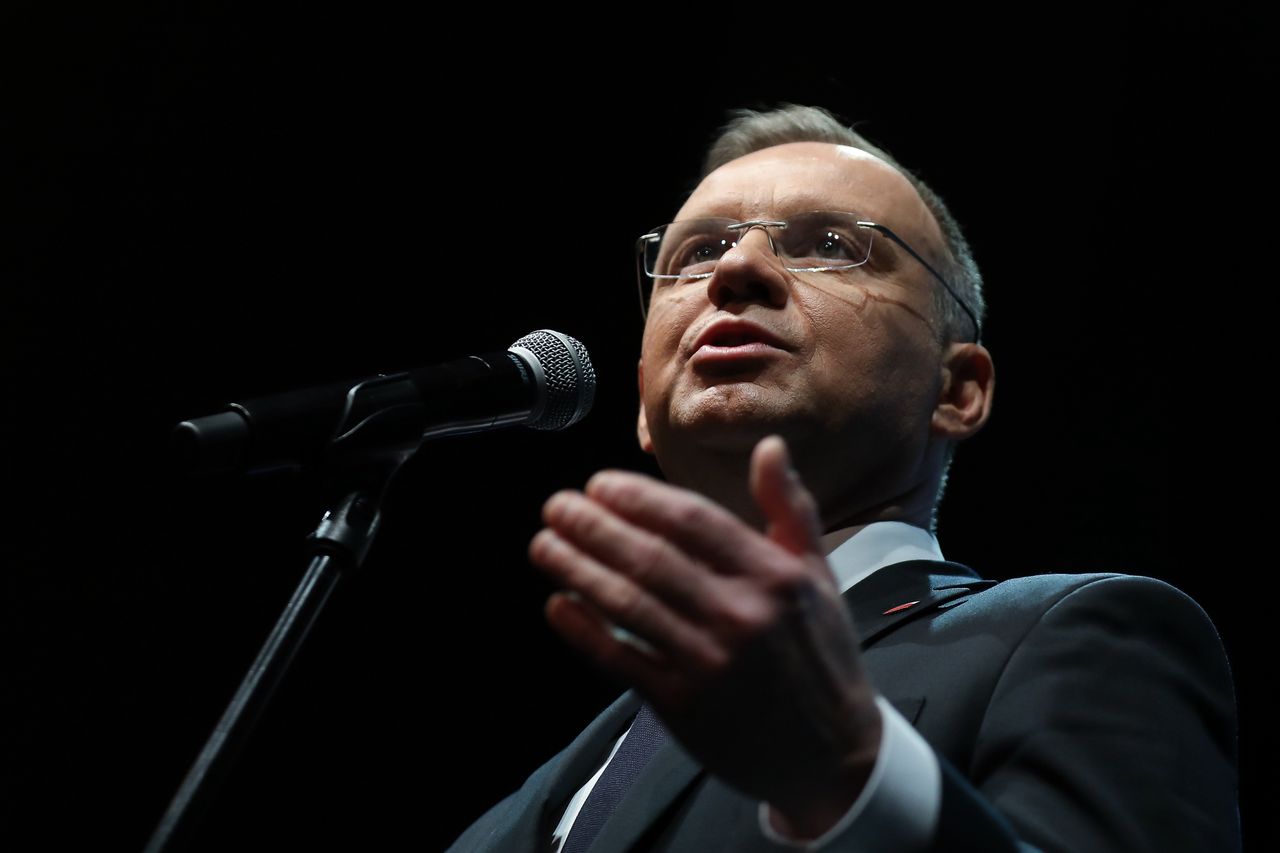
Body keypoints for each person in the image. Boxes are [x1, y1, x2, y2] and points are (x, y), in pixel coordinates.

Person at [446, 105, 1240, 852]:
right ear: (645, 406)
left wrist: (855, 777)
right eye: (698, 251)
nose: (739, 270)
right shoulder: (511, 816)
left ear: (957, 389)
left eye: (827, 243)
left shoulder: (1079, 639)